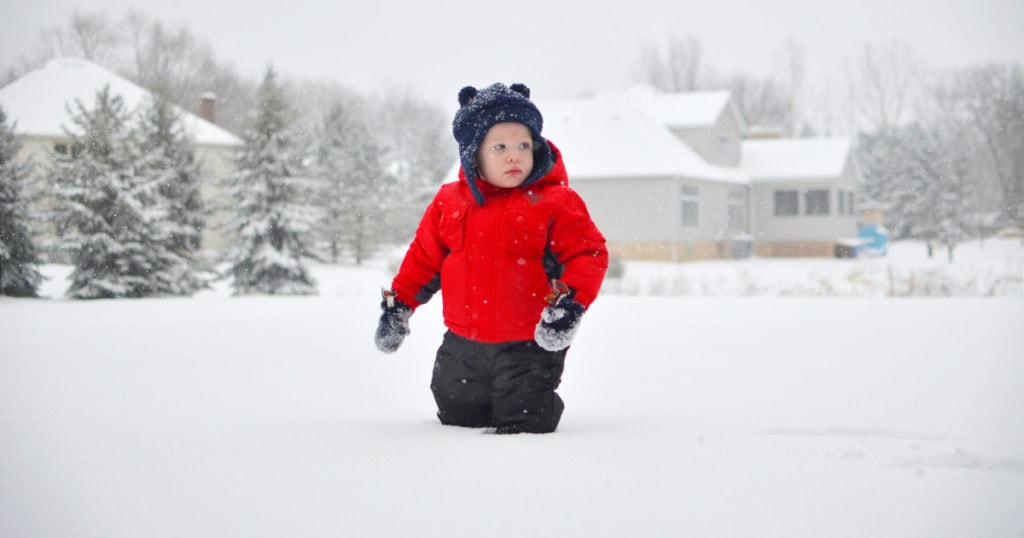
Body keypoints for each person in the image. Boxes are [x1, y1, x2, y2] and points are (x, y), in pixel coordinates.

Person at [374, 82, 608, 434]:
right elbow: (423, 259)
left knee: (524, 417)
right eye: (499, 147)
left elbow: (586, 254)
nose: (514, 155)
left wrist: (569, 304)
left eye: (523, 145)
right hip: (462, 344)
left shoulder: (555, 202)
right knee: (456, 413)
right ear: (474, 153)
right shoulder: (449, 202)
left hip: (528, 345)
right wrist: (399, 306)